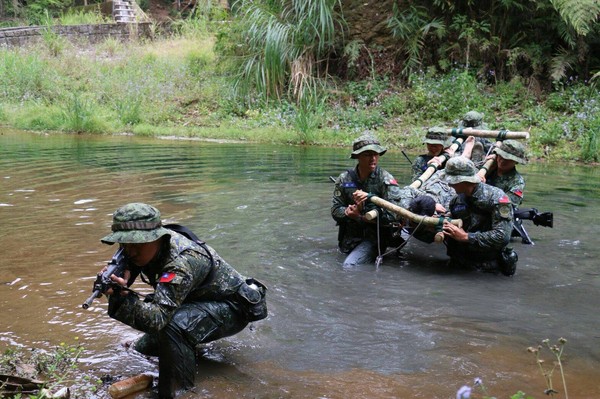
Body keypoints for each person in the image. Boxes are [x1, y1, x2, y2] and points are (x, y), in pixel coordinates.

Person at [98, 203, 267, 398]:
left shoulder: (182, 262)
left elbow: (156, 320)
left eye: (137, 244)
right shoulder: (144, 250)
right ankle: (190, 348)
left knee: (172, 326)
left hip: (234, 307)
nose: (130, 252)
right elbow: (130, 263)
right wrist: (114, 278)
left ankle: (178, 391)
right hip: (194, 301)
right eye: (124, 244)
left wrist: (120, 297)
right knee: (142, 348)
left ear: (157, 237)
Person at [331, 133, 403, 267]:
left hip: (375, 238)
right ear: (357, 156)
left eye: (376, 154)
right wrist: (347, 212)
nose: (373, 158)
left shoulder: (385, 179)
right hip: (348, 239)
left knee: (349, 266)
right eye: (367, 154)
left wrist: (362, 216)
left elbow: (394, 214)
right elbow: (335, 210)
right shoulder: (344, 179)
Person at [441, 156, 518, 275]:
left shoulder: (497, 198)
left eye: (452, 181)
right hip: (459, 263)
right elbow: (452, 220)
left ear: (464, 181)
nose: (450, 185)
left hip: (488, 269)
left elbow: (502, 236)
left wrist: (466, 237)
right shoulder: (456, 201)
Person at [483, 139, 527, 207]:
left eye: (508, 159)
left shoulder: (517, 182)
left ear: (516, 162)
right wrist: (485, 168)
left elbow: (510, 203)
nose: (502, 161)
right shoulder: (488, 168)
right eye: (501, 156)